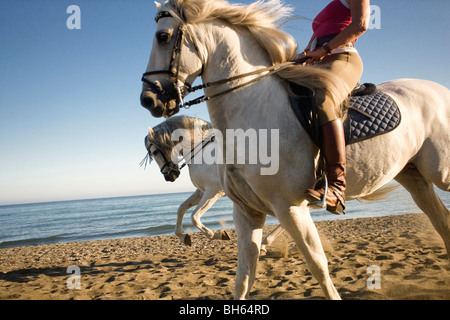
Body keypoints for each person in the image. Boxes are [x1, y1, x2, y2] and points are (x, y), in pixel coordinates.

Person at [299, 0, 370, 214]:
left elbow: (361, 25)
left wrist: (326, 49)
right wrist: (303, 56)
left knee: (324, 97)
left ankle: (337, 187)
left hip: (343, 57)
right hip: (319, 59)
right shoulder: (331, 4)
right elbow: (314, 41)